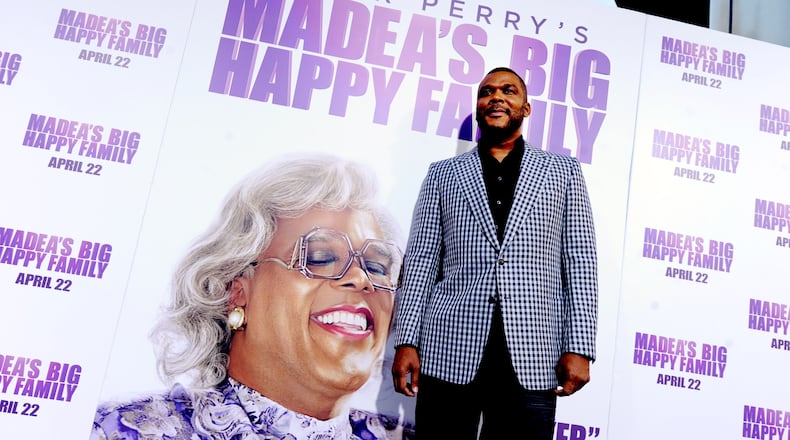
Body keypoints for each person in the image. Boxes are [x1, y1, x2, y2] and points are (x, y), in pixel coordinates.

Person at [92, 154, 414, 439]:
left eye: (377, 265)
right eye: (319, 257)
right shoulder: (117, 430)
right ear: (236, 292)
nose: (360, 279)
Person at [391, 67, 598, 439]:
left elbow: (580, 262)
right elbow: (421, 262)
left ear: (526, 107)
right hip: (448, 348)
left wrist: (579, 346)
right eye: (487, 92)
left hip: (533, 352)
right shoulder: (443, 175)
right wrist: (407, 340)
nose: (496, 97)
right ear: (479, 105)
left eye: (508, 91)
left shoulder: (563, 172)